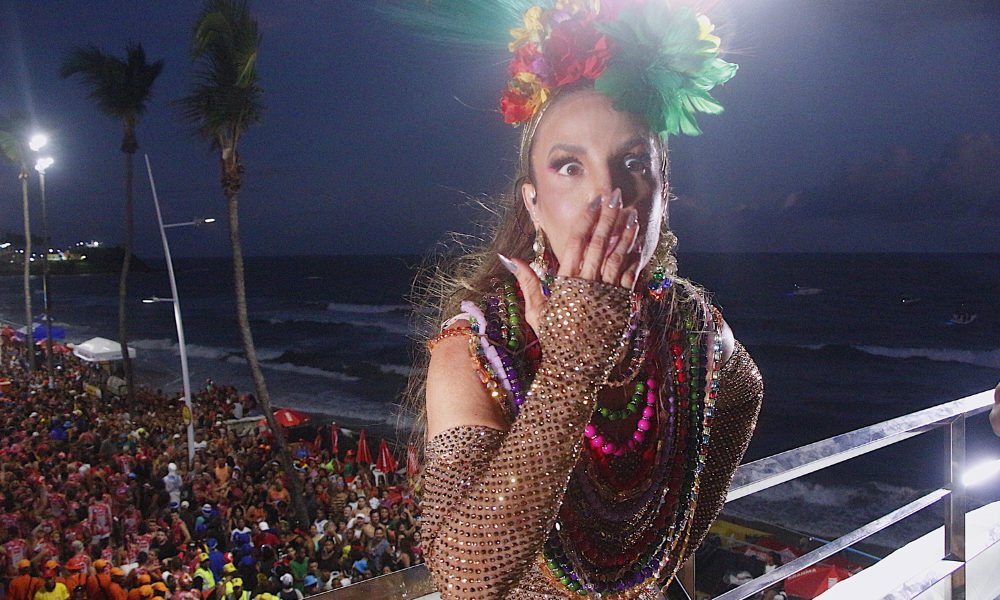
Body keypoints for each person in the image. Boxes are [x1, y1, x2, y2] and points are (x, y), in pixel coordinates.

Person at [390, 1, 764, 598]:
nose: (606, 194)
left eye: (633, 163)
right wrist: (571, 367)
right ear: (533, 204)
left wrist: (673, 542)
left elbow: (745, 391)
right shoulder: (476, 349)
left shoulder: (689, 322)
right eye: (570, 167)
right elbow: (464, 576)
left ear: (663, 194)